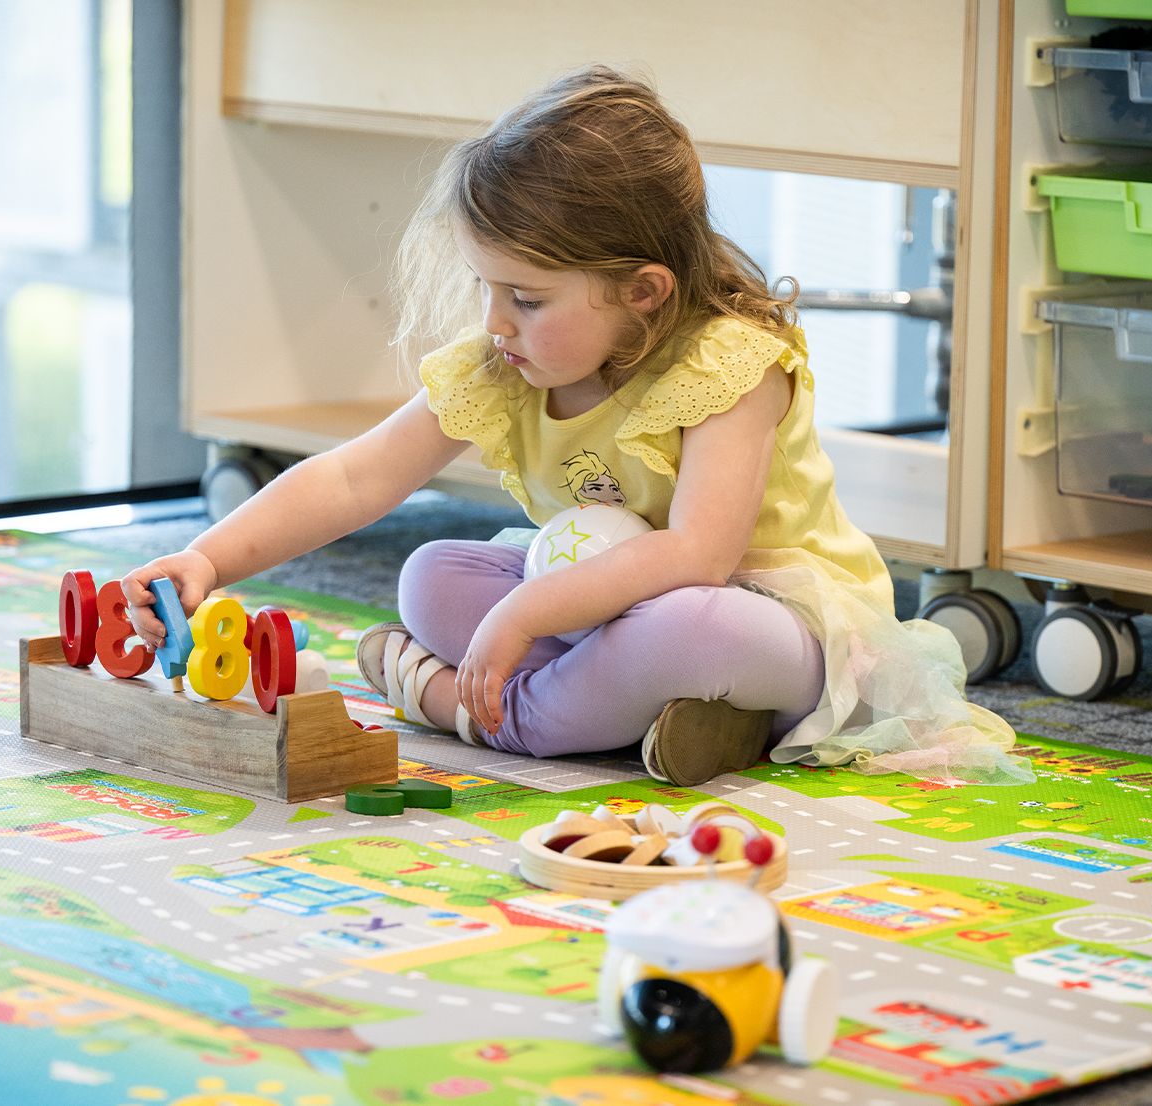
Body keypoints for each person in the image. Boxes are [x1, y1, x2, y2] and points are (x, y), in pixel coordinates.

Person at [121, 66, 1032, 789]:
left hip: (772, 622)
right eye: (486, 287)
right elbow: (358, 479)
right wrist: (208, 560)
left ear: (642, 291)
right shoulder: (506, 365)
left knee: (684, 633)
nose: (494, 322)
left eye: (525, 297)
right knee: (430, 576)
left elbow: (698, 560)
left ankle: (480, 711)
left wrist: (523, 614)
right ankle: (655, 714)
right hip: (603, 603)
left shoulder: (731, 366)